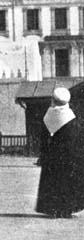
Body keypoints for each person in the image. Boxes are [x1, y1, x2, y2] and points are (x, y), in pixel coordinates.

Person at [36, 87, 84, 218]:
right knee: (67, 182)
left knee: (52, 181)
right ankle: (66, 209)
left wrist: (43, 155)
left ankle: (52, 209)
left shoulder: (47, 116)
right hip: (69, 157)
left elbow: (43, 139)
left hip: (52, 157)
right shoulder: (71, 117)